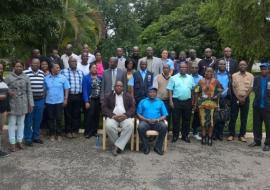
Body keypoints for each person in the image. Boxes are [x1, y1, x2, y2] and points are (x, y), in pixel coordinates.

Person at [5, 60, 34, 152]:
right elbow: (3, 89)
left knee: (21, 124)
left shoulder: (26, 77)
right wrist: (8, 92)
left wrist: (31, 104)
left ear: (23, 67)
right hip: (12, 104)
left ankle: (19, 141)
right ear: (14, 67)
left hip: (23, 103)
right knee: (12, 124)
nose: (19, 68)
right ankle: (12, 143)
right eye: (17, 66)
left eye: (20, 66)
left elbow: (29, 91)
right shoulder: (8, 77)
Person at [102, 81, 135, 156]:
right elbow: (104, 107)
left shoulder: (128, 95)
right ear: (114, 87)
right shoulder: (108, 95)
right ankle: (120, 145)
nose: (119, 87)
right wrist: (113, 115)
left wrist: (126, 115)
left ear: (123, 87)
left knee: (130, 125)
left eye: (120, 86)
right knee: (109, 126)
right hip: (113, 117)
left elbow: (132, 107)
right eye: (117, 86)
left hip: (125, 117)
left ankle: (116, 147)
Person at [195, 67, 223, 146]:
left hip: (213, 105)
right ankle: (204, 137)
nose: (209, 73)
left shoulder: (216, 81)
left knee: (211, 122)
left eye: (211, 71)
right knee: (203, 122)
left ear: (213, 72)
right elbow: (196, 91)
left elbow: (221, 90)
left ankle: (210, 137)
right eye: (207, 71)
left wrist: (216, 95)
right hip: (202, 104)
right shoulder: (201, 81)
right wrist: (196, 103)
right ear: (205, 72)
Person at [167, 63, 195, 143]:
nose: (183, 69)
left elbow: (192, 89)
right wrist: (171, 101)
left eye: (185, 67)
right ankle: (175, 136)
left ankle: (185, 136)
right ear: (179, 68)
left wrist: (193, 100)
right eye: (182, 67)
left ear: (187, 68)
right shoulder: (173, 78)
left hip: (187, 101)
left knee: (187, 119)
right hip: (176, 101)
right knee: (176, 119)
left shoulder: (190, 78)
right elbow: (169, 89)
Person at [228, 60, 254, 142]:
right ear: (239, 66)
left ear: (246, 66)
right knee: (233, 117)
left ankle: (242, 135)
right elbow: (233, 88)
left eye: (244, 65)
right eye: (241, 65)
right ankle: (231, 134)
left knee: (244, 117)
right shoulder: (234, 75)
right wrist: (238, 98)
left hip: (246, 99)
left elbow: (250, 88)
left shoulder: (251, 76)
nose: (242, 66)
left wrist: (244, 98)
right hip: (235, 98)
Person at [137, 87, 168, 155]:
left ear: (156, 93)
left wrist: (158, 119)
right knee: (140, 127)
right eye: (150, 92)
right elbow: (138, 114)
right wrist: (146, 119)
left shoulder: (160, 102)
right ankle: (146, 146)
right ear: (148, 93)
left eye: (154, 92)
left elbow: (164, 115)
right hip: (145, 122)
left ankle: (158, 147)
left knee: (164, 127)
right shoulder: (143, 101)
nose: (152, 93)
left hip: (157, 122)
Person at [45, 62, 70, 142]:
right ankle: (52, 134)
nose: (59, 69)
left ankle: (59, 134)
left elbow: (67, 88)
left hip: (59, 101)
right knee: (50, 118)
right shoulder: (46, 78)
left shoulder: (63, 78)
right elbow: (44, 89)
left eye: (59, 68)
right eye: (57, 68)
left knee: (59, 118)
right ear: (52, 69)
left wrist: (66, 99)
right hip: (49, 101)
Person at [23, 58, 46, 146]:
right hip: (30, 100)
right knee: (28, 119)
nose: (36, 65)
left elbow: (43, 85)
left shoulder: (42, 73)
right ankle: (28, 138)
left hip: (40, 100)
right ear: (31, 64)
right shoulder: (25, 73)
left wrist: (43, 96)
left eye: (37, 64)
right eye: (34, 63)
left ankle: (36, 137)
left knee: (38, 119)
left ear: (39, 65)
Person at [249, 63, 270, 151]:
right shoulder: (256, 78)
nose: (263, 70)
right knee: (256, 124)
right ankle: (257, 140)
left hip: (267, 106)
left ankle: (268, 143)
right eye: (262, 69)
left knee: (268, 125)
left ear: (268, 70)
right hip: (257, 105)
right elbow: (254, 89)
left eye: (265, 69)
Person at [62, 57, 83, 138]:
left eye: (75, 61)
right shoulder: (63, 72)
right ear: (69, 63)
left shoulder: (80, 72)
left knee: (76, 114)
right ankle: (68, 131)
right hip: (68, 96)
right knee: (68, 114)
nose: (74, 63)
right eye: (72, 61)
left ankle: (75, 130)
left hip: (78, 96)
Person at [82, 63, 102, 138]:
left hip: (98, 99)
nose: (94, 69)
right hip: (90, 99)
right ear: (90, 69)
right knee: (89, 115)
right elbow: (84, 90)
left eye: (95, 68)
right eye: (93, 68)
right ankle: (88, 132)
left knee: (96, 116)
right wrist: (86, 101)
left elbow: (101, 88)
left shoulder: (100, 77)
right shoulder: (86, 77)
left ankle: (94, 131)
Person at [214, 60, 231, 140]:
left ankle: (220, 134)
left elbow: (230, 86)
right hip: (215, 98)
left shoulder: (229, 75)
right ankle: (214, 133)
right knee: (214, 116)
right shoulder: (214, 74)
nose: (222, 65)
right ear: (218, 65)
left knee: (222, 116)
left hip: (225, 98)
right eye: (221, 64)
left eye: (224, 64)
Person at [153, 64, 171, 130]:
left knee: (167, 116)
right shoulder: (157, 77)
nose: (166, 69)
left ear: (169, 69)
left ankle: (166, 132)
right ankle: (156, 131)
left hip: (168, 101)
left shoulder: (172, 78)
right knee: (158, 116)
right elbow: (154, 89)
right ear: (162, 69)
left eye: (167, 68)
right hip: (159, 100)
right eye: (164, 68)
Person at [190, 63, 203, 140]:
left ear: (198, 69)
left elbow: (201, 89)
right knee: (187, 116)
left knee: (197, 117)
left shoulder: (201, 78)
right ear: (190, 69)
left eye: (196, 68)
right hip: (188, 98)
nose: (194, 69)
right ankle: (186, 132)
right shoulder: (188, 77)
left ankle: (195, 132)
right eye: (193, 68)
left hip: (198, 99)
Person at [0, 63, 10, 157]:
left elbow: (6, 95)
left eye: (2, 68)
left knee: (0, 130)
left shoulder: (2, 79)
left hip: (3, 109)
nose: (0, 70)